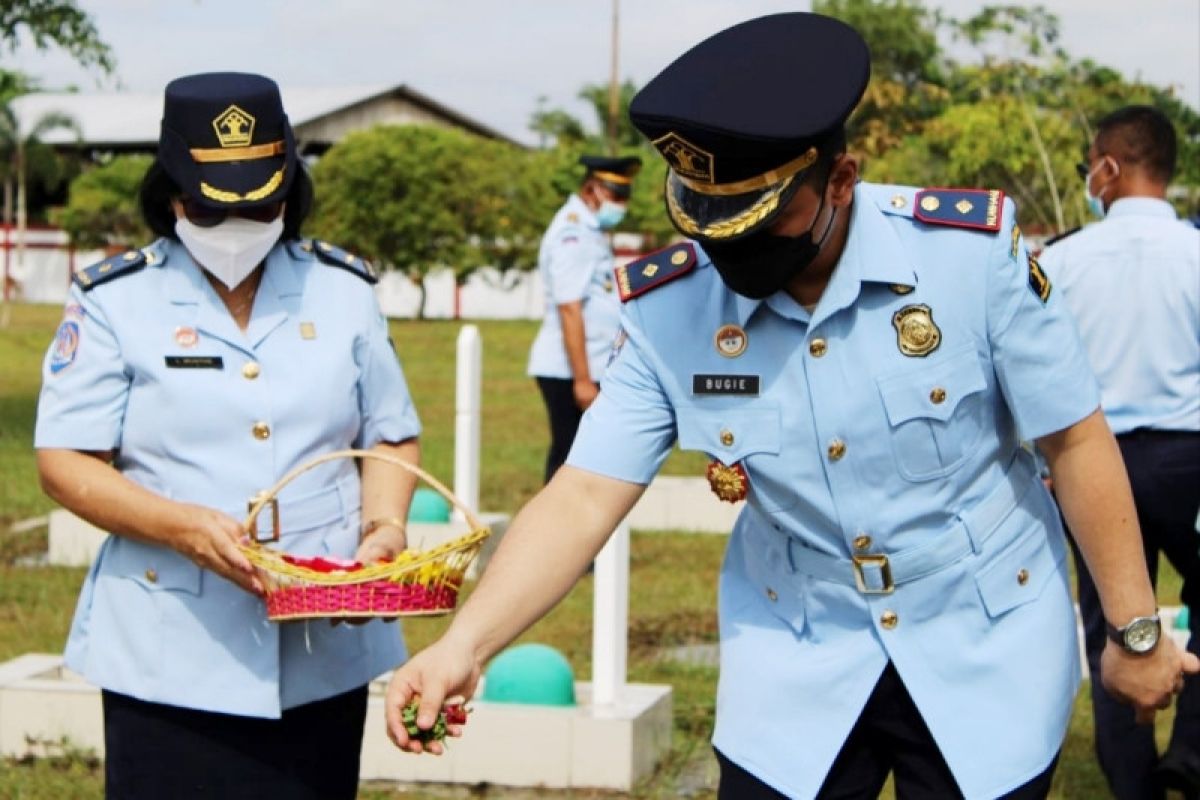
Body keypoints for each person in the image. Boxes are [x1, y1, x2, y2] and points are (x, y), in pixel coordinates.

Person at [385, 14, 1198, 799]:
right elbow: (585, 491)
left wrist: (1133, 631)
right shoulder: (673, 307)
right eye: (708, 223)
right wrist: (465, 645)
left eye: (759, 221)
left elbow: (1076, 441)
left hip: (982, 641)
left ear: (840, 179)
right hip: (798, 652)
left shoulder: (967, 259)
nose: (729, 250)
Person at [34, 72, 422, 799]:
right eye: (210, 212)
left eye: (263, 206)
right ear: (173, 194)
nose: (237, 230)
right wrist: (181, 527)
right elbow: (65, 459)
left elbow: (391, 436)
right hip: (167, 645)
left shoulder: (342, 290)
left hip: (322, 643)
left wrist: (385, 529)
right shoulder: (117, 299)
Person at [1039, 105, 1200, 799]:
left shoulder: (1061, 260)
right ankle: (1192, 758)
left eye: (1087, 168)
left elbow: (1034, 377)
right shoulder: (1197, 253)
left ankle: (1132, 784)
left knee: (1110, 617)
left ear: (1106, 166)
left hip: (1092, 465)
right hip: (1189, 462)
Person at [527, 154, 641, 482]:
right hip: (570, 371)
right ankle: (554, 533)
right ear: (593, 190)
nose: (622, 205)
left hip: (588, 366)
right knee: (569, 462)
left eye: (625, 197)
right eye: (616, 197)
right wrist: (582, 380)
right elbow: (570, 308)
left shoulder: (589, 229)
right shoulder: (572, 234)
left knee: (583, 460)